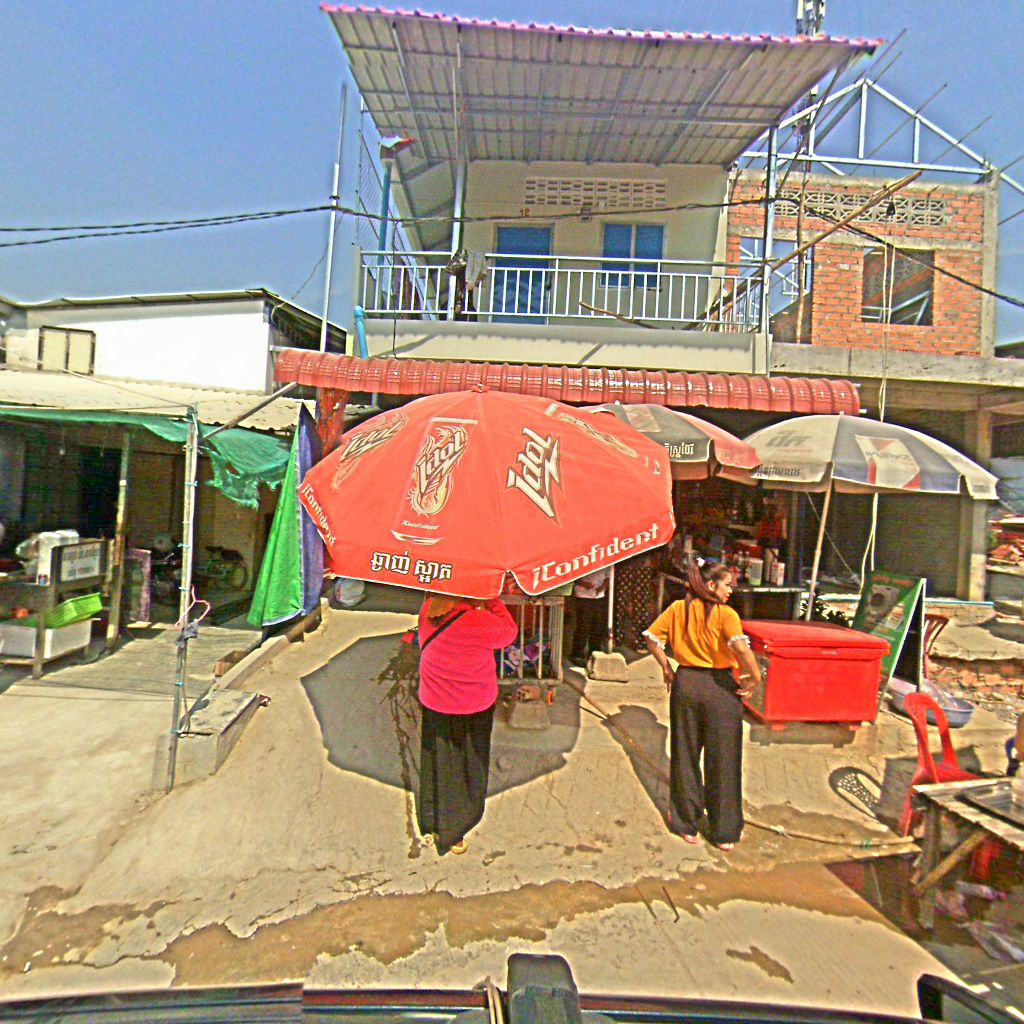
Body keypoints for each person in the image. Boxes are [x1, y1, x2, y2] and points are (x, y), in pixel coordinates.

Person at [643, 558, 762, 850]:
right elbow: (740, 647)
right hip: (721, 689)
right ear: (710, 585)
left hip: (687, 685)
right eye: (727, 585)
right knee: (724, 758)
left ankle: (686, 824)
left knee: (685, 754)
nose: (730, 590)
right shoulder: (726, 614)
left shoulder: (677, 609)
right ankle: (725, 831)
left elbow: (651, 639)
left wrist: (666, 667)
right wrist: (755, 675)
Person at [417, 592, 518, 855]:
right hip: (471, 704)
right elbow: (509, 633)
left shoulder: (427, 610)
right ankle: (452, 832)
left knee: (437, 761)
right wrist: (492, 599)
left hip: (434, 702)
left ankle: (430, 819)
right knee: (464, 768)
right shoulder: (477, 621)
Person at [567, 565, 610, 665]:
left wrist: (602, 588)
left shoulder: (607, 561)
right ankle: (577, 654)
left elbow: (608, 578)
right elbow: (573, 577)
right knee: (583, 626)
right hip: (582, 595)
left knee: (597, 627)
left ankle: (594, 653)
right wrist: (584, 584)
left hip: (599, 596)